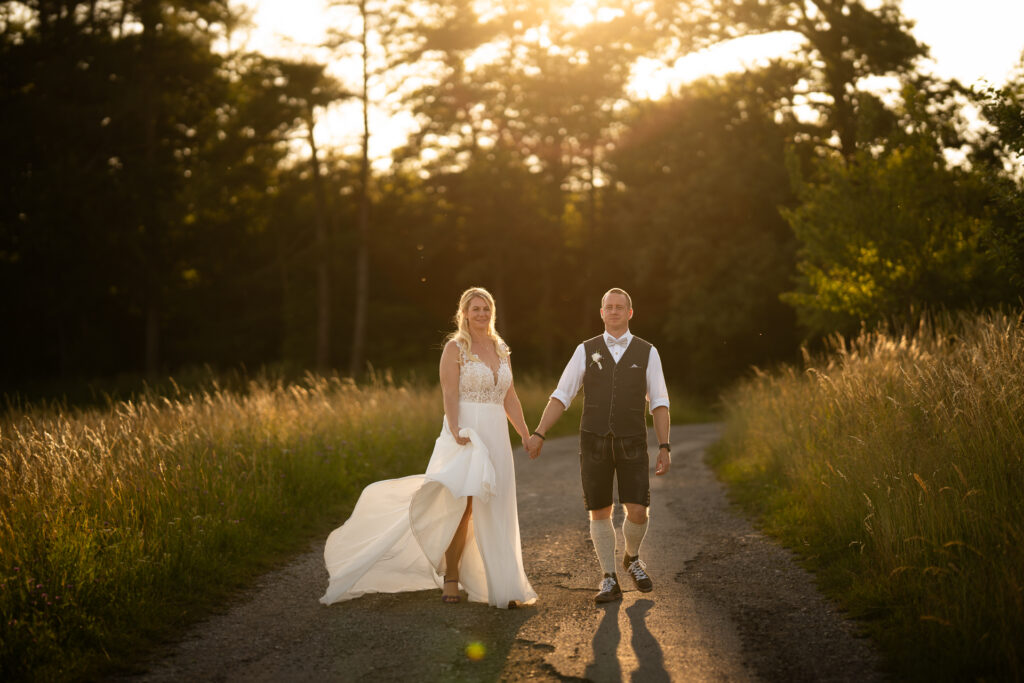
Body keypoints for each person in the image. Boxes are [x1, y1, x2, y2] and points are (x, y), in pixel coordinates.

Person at [320, 287, 537, 609]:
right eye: (475, 309)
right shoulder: (455, 348)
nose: (481, 314)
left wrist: (525, 433)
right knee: (460, 506)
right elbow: (449, 393)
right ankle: (451, 576)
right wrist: (454, 428)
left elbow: (510, 397)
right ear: (464, 313)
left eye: (486, 308)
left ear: (492, 312)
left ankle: (501, 585)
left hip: (496, 435)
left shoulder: (501, 349)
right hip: (466, 433)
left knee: (496, 505)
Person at [526, 288, 671, 604]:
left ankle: (631, 557)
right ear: (602, 312)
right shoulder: (584, 350)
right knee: (599, 510)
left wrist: (665, 445)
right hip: (593, 441)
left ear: (630, 313)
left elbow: (659, 402)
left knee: (638, 510)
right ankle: (609, 577)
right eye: (610, 307)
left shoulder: (648, 352)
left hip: (632, 440)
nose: (615, 311)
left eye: (621, 307)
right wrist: (538, 432)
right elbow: (561, 395)